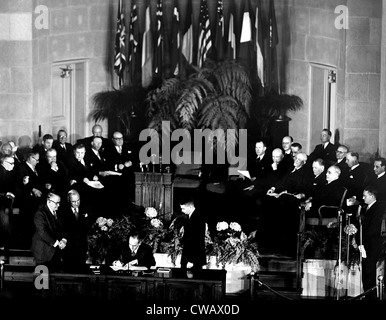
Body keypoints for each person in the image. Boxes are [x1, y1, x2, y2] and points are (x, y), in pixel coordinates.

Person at [353, 185, 384, 300]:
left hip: (372, 244)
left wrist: (362, 241)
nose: (363, 198)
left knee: (369, 271)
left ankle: (371, 297)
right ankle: (367, 295)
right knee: (366, 271)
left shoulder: (378, 207)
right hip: (365, 243)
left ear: (371, 195)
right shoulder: (366, 208)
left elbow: (372, 228)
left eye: (365, 195)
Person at [30, 192, 67, 272]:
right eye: (56, 203)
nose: (58, 205)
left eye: (59, 203)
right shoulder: (40, 213)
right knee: (42, 283)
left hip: (55, 253)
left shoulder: (58, 212)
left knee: (54, 280)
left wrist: (64, 240)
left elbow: (63, 228)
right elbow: (43, 232)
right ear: (48, 201)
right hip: (42, 253)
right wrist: (57, 243)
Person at [60, 189, 90, 272]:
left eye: (78, 200)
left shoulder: (85, 209)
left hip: (82, 249)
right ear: (69, 200)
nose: (77, 203)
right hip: (69, 250)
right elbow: (64, 230)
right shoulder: (63, 212)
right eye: (74, 201)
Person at [180, 197, 207, 271]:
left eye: (183, 208)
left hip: (195, 254)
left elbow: (197, 238)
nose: (182, 211)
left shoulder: (198, 217)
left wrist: (190, 259)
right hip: (190, 253)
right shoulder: (191, 216)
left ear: (191, 207)